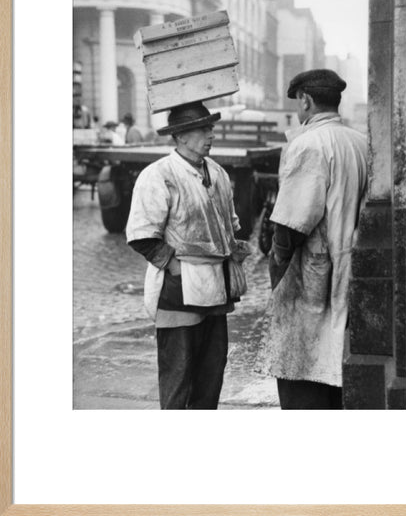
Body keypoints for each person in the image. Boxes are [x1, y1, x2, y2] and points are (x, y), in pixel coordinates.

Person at [126, 102, 250, 410]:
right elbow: (142, 235)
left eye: (210, 127)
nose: (211, 134)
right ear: (180, 136)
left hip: (216, 291)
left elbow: (229, 224)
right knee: (179, 375)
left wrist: (234, 247)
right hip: (177, 292)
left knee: (211, 375)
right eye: (202, 129)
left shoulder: (218, 174)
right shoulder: (159, 176)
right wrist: (175, 266)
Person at [258, 69, 367, 410]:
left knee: (302, 369)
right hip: (350, 266)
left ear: (305, 100)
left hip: (313, 274)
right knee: (336, 366)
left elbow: (291, 222)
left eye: (298, 103)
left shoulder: (308, 143)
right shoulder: (361, 141)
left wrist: (277, 269)